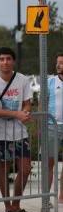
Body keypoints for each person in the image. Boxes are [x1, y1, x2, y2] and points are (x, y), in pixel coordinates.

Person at [0, 47, 36, 212]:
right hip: (0, 133)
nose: (5, 62)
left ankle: (16, 205)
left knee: (25, 168)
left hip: (20, 132)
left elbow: (27, 103)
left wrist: (26, 112)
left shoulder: (22, 79)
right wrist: (16, 114)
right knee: (4, 168)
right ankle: (7, 207)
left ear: (13, 61)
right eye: (2, 59)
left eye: (8, 58)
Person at [46, 52, 63, 203]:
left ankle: (61, 197)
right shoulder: (50, 82)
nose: (59, 65)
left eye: (62, 63)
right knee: (49, 163)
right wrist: (40, 128)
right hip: (51, 127)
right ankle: (46, 198)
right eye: (58, 62)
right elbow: (41, 104)